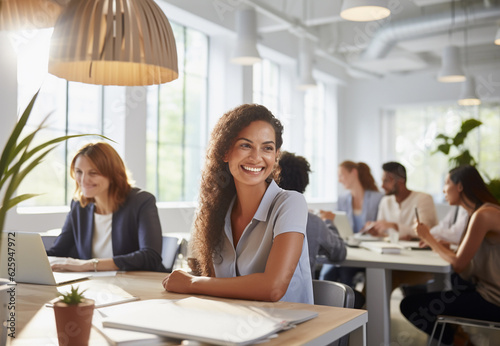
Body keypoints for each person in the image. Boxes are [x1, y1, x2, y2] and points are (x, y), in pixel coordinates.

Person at [162, 104, 313, 304]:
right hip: (231, 322)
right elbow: (215, 283)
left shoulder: (290, 203)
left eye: (267, 148)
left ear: (276, 155)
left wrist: (192, 283)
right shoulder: (216, 213)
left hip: (291, 329)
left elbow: (273, 288)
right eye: (245, 145)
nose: (256, 157)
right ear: (225, 152)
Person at [401, 165, 500, 345]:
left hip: (493, 300)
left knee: (410, 305)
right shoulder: (478, 213)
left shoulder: (483, 215)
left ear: (460, 186)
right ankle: (460, 337)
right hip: (485, 291)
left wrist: (428, 237)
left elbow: (459, 264)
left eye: (447, 183)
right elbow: (468, 258)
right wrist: (443, 246)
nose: (443, 190)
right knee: (450, 286)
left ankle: (459, 342)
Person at [47, 142, 165, 272]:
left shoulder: (142, 201)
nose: (83, 180)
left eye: (93, 173)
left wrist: (88, 265)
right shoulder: (79, 206)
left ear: (113, 174)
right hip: (96, 285)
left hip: (137, 284)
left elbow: (150, 256)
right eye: (79, 172)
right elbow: (58, 252)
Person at [277, 151, 346, 277]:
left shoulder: (259, 215)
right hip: (303, 295)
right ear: (304, 184)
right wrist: (328, 221)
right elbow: (339, 253)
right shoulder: (313, 222)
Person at [319, 161, 383, 283]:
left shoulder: (378, 198)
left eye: (341, 175)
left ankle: (348, 301)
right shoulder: (342, 199)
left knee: (345, 272)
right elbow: (336, 227)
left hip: (368, 250)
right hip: (347, 248)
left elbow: (382, 227)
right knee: (328, 273)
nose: (339, 180)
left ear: (353, 172)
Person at [368, 161, 438, 240]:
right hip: (393, 249)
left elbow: (424, 231)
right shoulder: (385, 201)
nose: (382, 186)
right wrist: (376, 231)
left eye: (386, 181)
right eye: (382, 181)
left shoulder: (423, 198)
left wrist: (394, 226)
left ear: (401, 180)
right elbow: (383, 232)